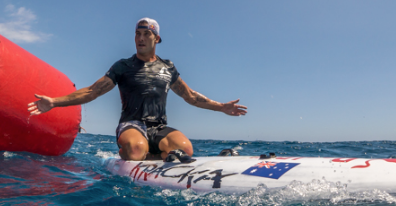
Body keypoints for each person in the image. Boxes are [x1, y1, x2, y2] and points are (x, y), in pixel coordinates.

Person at [28, 18, 247, 161]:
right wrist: (54, 102)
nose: (140, 38)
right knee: (134, 148)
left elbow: (190, 96)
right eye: (137, 34)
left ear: (157, 38)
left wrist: (221, 107)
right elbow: (92, 91)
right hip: (131, 125)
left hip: (159, 127)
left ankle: (151, 152)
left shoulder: (168, 67)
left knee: (185, 149)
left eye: (146, 34)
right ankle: (137, 152)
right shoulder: (123, 66)